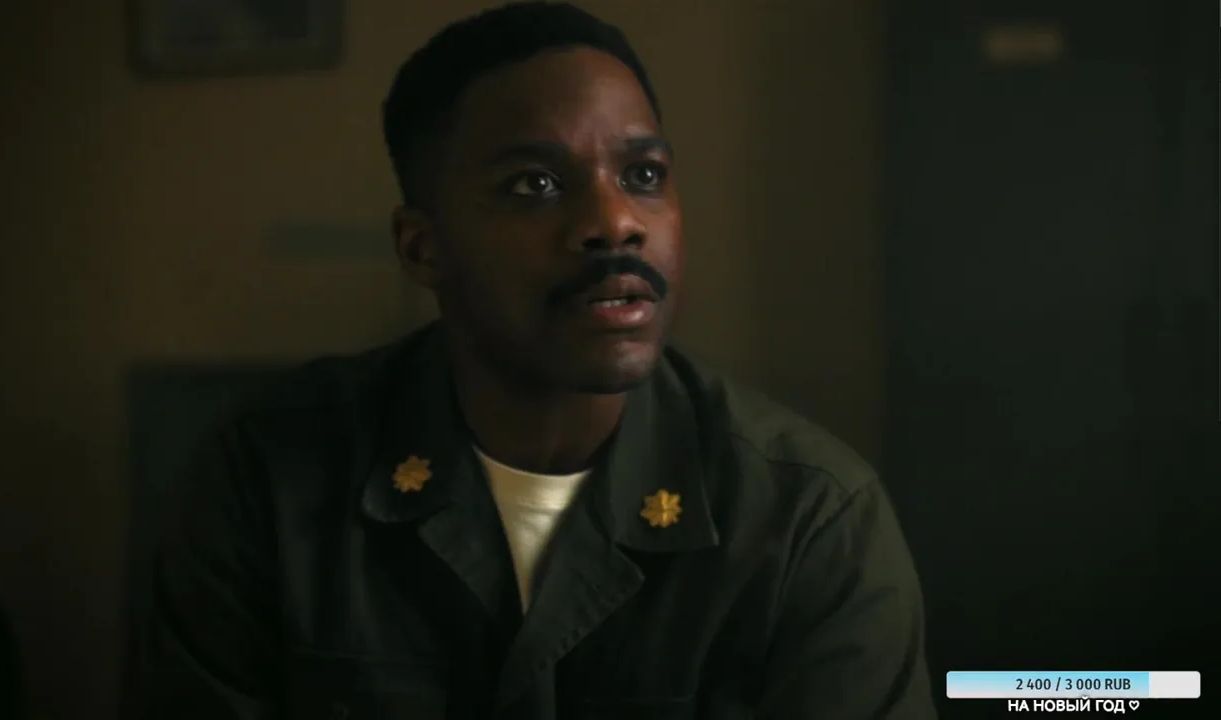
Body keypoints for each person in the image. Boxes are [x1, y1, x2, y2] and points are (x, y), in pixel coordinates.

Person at [143, 3, 937, 718]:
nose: (616, 222)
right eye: (536, 184)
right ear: (423, 249)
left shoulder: (807, 521)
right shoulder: (271, 480)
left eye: (644, 176)